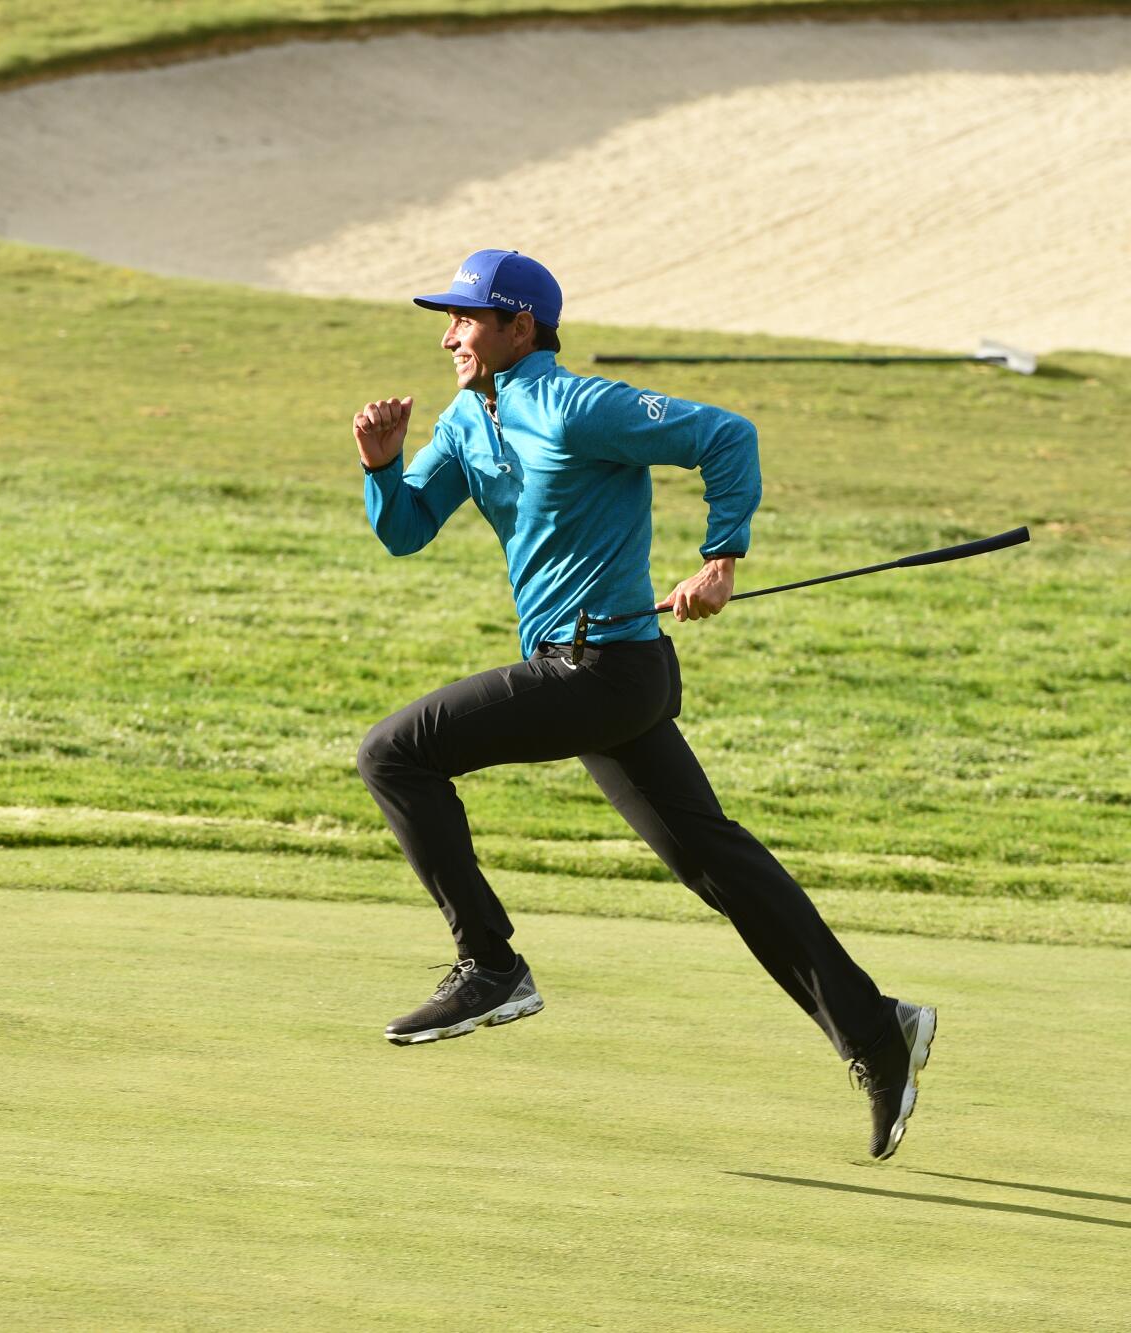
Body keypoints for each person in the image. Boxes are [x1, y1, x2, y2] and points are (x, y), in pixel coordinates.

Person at [350, 249, 936, 1159]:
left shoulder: (580, 406)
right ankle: (874, 1028)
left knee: (393, 754)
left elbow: (725, 435)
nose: (449, 333)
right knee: (720, 865)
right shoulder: (471, 420)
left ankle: (494, 966)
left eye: (467, 318)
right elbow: (406, 530)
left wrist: (721, 555)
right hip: (598, 676)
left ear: (520, 328)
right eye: (450, 317)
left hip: (602, 672)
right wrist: (382, 468)